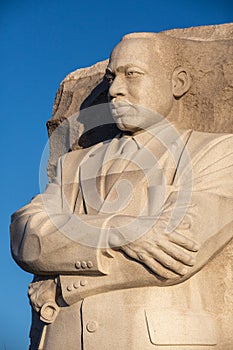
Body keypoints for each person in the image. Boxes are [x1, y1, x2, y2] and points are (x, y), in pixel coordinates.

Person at [11, 33, 233, 349]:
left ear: (178, 83)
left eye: (132, 74)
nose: (115, 89)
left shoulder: (216, 152)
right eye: (112, 77)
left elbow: (178, 251)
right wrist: (118, 231)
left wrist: (60, 283)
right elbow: (28, 236)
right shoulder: (72, 165)